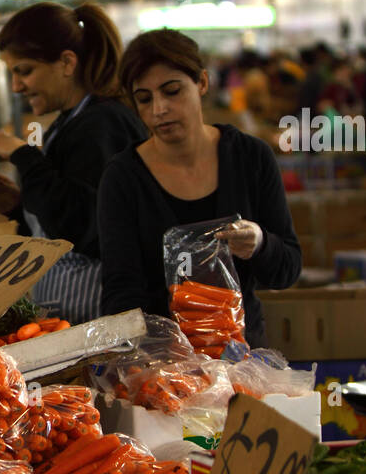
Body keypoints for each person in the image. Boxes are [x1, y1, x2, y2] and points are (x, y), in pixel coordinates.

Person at [98, 29, 301, 346]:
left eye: (172, 91)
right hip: (162, 366)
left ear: (202, 83)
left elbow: (287, 269)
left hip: (241, 356)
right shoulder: (123, 178)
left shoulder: (251, 157)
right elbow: (120, 293)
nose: (159, 109)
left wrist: (259, 243)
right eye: (144, 99)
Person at [0, 1, 147, 323]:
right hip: (70, 315)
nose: (16, 87)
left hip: (98, 318)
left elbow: (81, 227)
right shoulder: (70, 124)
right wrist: (18, 206)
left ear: (67, 62)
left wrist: (21, 154)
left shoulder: (101, 125)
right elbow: (59, 221)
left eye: (24, 71)